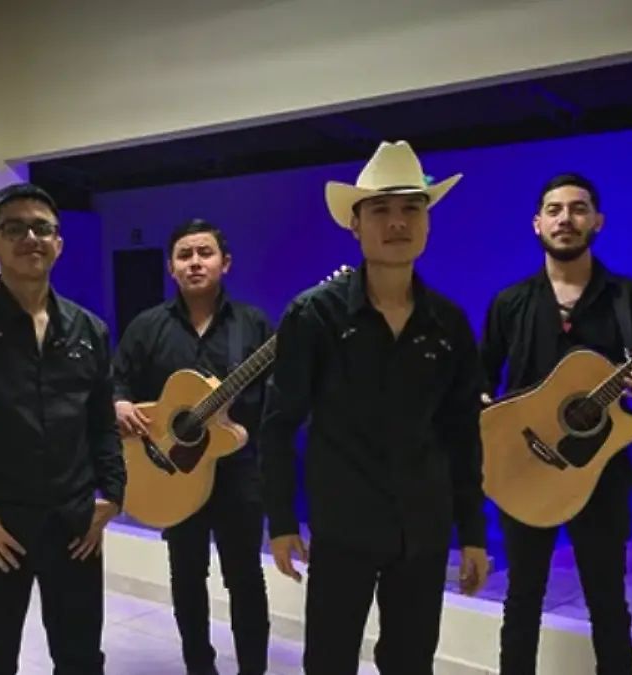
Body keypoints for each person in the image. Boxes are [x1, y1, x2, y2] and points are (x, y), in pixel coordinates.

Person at [260, 140, 490, 675]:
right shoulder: (313, 316)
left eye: (411, 208)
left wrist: (473, 534)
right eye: (380, 210)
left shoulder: (449, 323)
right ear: (355, 225)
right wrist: (282, 521)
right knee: (330, 661)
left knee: (411, 662)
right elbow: (279, 424)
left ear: (427, 222)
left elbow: (462, 434)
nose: (397, 222)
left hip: (424, 528)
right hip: (343, 525)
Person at [0, 182, 125, 675]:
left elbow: (102, 424)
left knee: (81, 658)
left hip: (75, 526)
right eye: (14, 229)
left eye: (42, 228)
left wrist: (112, 495)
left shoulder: (89, 330)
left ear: (59, 242)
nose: (30, 238)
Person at [480, 173, 632, 675]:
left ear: (597, 221)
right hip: (526, 466)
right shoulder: (510, 303)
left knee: (607, 601)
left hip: (601, 472)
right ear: (537, 224)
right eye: (555, 209)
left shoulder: (631, 299)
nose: (566, 219)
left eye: (579, 208)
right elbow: (481, 378)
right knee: (522, 598)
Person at [113, 218, 274, 675]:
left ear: (226, 262)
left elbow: (277, 395)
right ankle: (199, 667)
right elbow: (118, 378)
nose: (195, 262)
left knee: (245, 577)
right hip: (170, 470)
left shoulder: (252, 324)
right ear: (171, 267)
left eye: (205, 253)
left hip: (237, 470)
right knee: (186, 577)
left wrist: (241, 420)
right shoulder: (147, 326)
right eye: (184, 255)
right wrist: (119, 403)